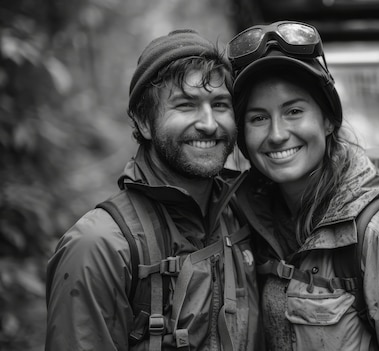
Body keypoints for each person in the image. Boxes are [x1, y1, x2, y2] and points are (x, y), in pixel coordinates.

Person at [228, 21, 379, 350]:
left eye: (293, 111)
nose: (276, 134)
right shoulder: (245, 224)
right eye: (258, 117)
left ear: (329, 120)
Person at [46, 29, 260, 351]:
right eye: (186, 105)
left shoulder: (245, 216)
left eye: (219, 104)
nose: (208, 123)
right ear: (145, 123)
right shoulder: (99, 247)